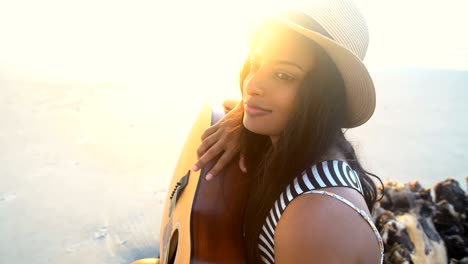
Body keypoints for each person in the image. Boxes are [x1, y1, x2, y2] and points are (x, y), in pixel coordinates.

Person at [133, 0, 384, 263]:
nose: (252, 85)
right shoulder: (289, 146)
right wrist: (241, 114)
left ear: (324, 95)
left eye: (283, 76)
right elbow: (227, 106)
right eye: (255, 64)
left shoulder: (318, 218)